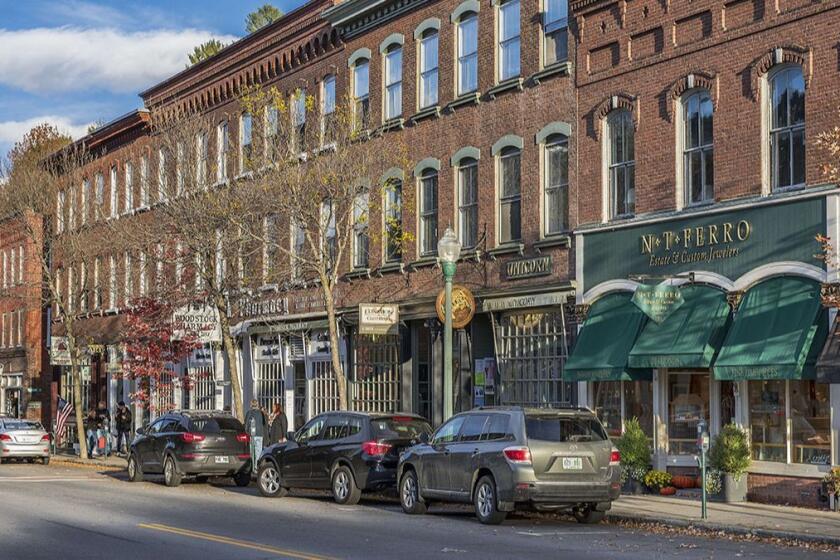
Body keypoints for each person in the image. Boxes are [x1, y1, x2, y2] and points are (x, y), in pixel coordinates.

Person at [244, 399, 268, 472]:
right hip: (260, 434)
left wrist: (246, 432)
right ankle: (257, 467)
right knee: (258, 452)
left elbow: (246, 424)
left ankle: (252, 468)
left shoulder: (249, 413)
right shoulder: (261, 413)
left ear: (251, 405)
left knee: (252, 452)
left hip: (252, 435)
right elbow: (265, 423)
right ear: (257, 405)